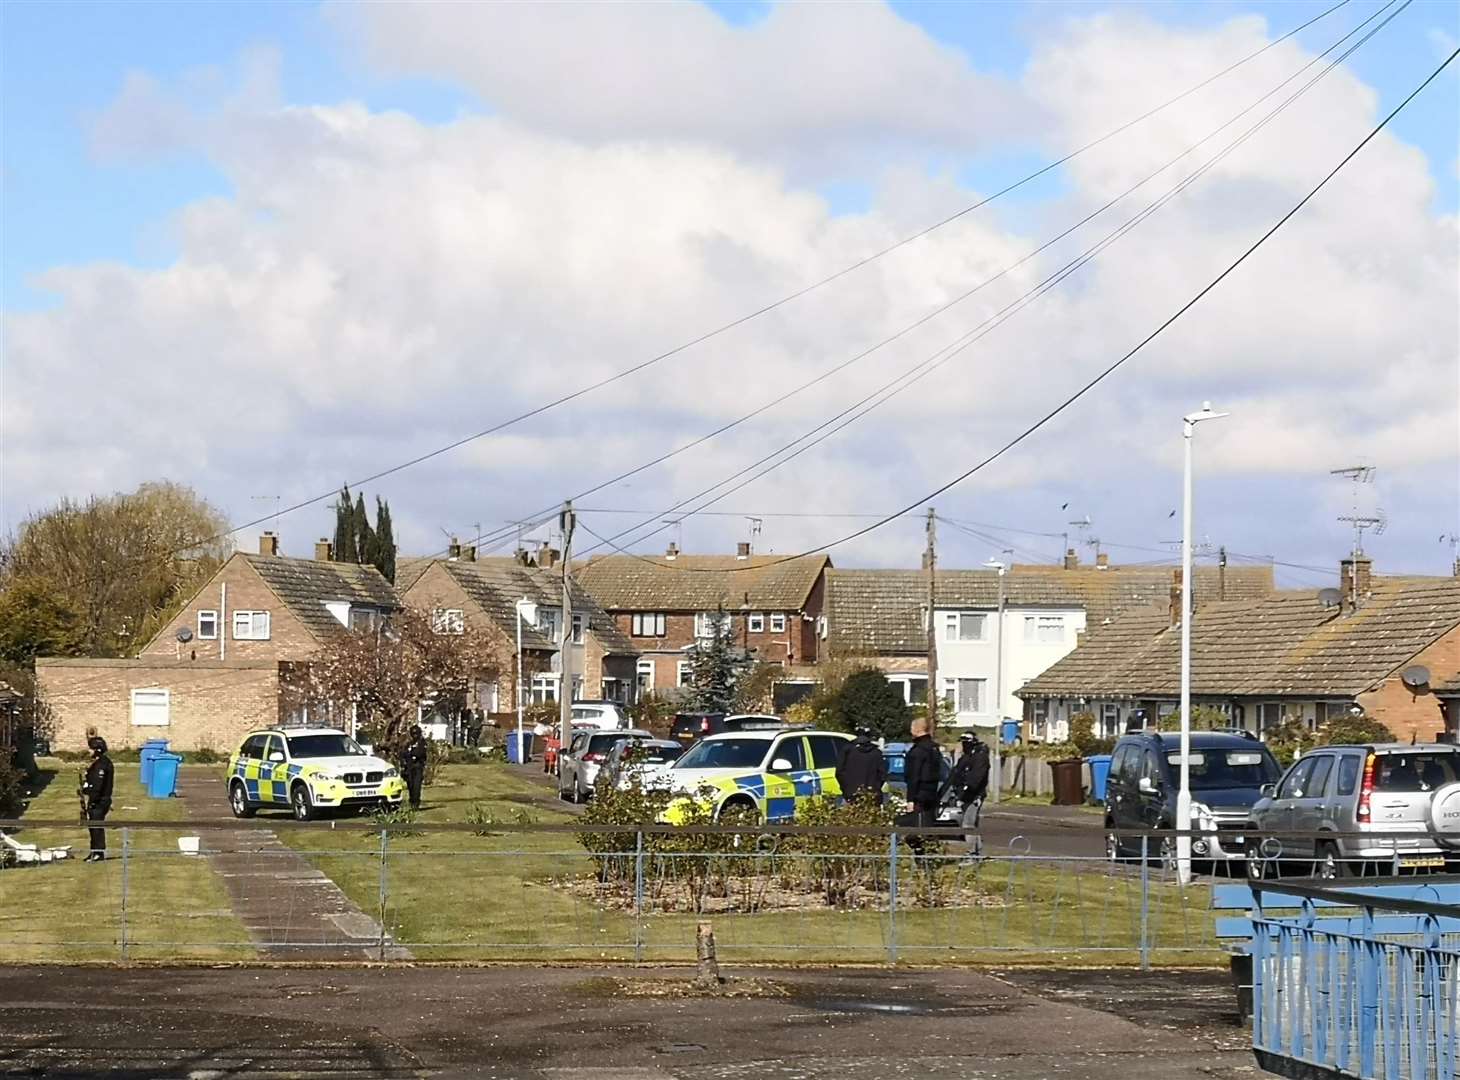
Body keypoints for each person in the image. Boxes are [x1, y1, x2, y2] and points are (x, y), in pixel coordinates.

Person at [897, 718, 944, 855]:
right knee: (926, 826)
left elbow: (913, 777)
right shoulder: (934, 749)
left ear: (917, 730)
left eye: (912, 728)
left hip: (920, 795)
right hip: (931, 793)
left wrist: (910, 799)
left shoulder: (918, 751)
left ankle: (923, 859)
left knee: (914, 829)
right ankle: (928, 856)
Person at [942, 732, 991, 859]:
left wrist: (968, 793)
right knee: (970, 824)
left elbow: (976, 779)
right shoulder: (966, 757)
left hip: (974, 796)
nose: (963, 745)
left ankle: (972, 853)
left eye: (965, 742)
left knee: (968, 825)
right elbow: (956, 773)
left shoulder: (980, 757)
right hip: (965, 795)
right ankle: (977, 852)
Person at [80, 735, 114, 862]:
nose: (89, 751)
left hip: (99, 801)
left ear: (97, 749)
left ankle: (98, 852)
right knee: (93, 827)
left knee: (96, 827)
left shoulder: (102, 764)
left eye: (91, 748)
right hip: (97, 799)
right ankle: (94, 851)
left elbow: (98, 785)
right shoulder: (98, 763)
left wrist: (90, 793)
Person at [835, 726, 888, 804]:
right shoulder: (876, 753)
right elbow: (882, 774)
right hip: (872, 796)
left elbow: (839, 772)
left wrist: (846, 789)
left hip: (851, 795)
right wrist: (875, 788)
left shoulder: (847, 751)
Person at [400, 725, 429, 811]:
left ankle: (416, 803)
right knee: (411, 786)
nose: (415, 735)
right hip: (409, 768)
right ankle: (412, 802)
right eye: (413, 734)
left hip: (417, 767)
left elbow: (420, 754)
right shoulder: (409, 744)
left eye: (416, 734)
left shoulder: (422, 743)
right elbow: (403, 754)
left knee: (416, 786)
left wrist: (412, 754)